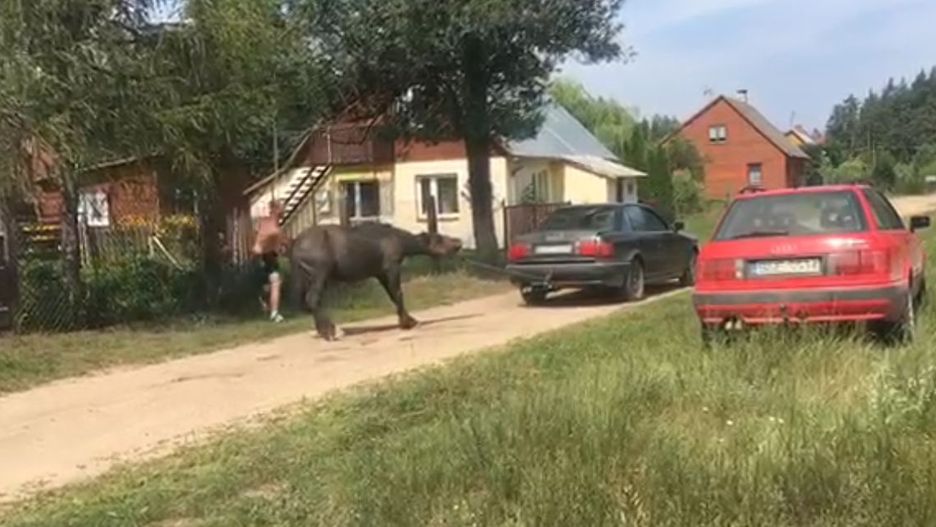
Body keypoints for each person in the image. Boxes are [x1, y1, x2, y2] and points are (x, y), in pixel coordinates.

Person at [253, 199, 287, 323]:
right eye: (282, 208)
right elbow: (260, 246)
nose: (284, 210)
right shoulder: (274, 229)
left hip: (265, 257)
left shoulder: (265, 222)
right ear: (276, 210)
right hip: (266, 257)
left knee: (268, 285)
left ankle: (265, 303)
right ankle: (274, 313)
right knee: (276, 282)